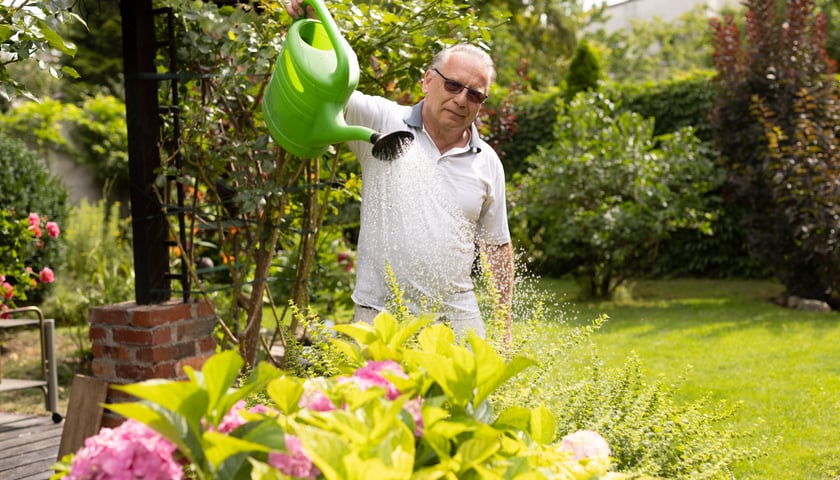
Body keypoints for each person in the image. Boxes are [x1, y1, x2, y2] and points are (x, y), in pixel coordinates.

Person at [284, 0, 514, 340]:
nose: (462, 99)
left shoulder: (487, 161)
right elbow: (324, 87)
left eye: (475, 94)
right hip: (380, 317)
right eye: (453, 85)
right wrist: (312, 25)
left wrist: (504, 323)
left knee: (473, 396)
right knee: (374, 395)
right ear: (427, 81)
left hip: (457, 318)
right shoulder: (381, 121)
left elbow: (496, 246)